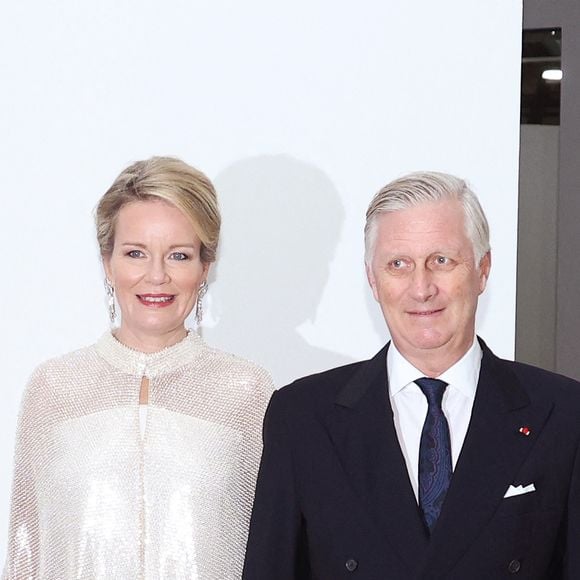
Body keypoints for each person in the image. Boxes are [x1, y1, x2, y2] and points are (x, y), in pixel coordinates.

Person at [243, 171, 580, 579]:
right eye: (398, 264)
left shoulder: (562, 413)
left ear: (482, 270)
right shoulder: (302, 416)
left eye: (441, 261)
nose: (421, 288)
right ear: (373, 278)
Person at [3, 156, 273, 579]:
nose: (156, 276)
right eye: (135, 253)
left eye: (179, 255)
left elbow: (272, 552)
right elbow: (25, 548)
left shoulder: (246, 392)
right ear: (107, 263)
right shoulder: (54, 388)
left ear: (205, 267)